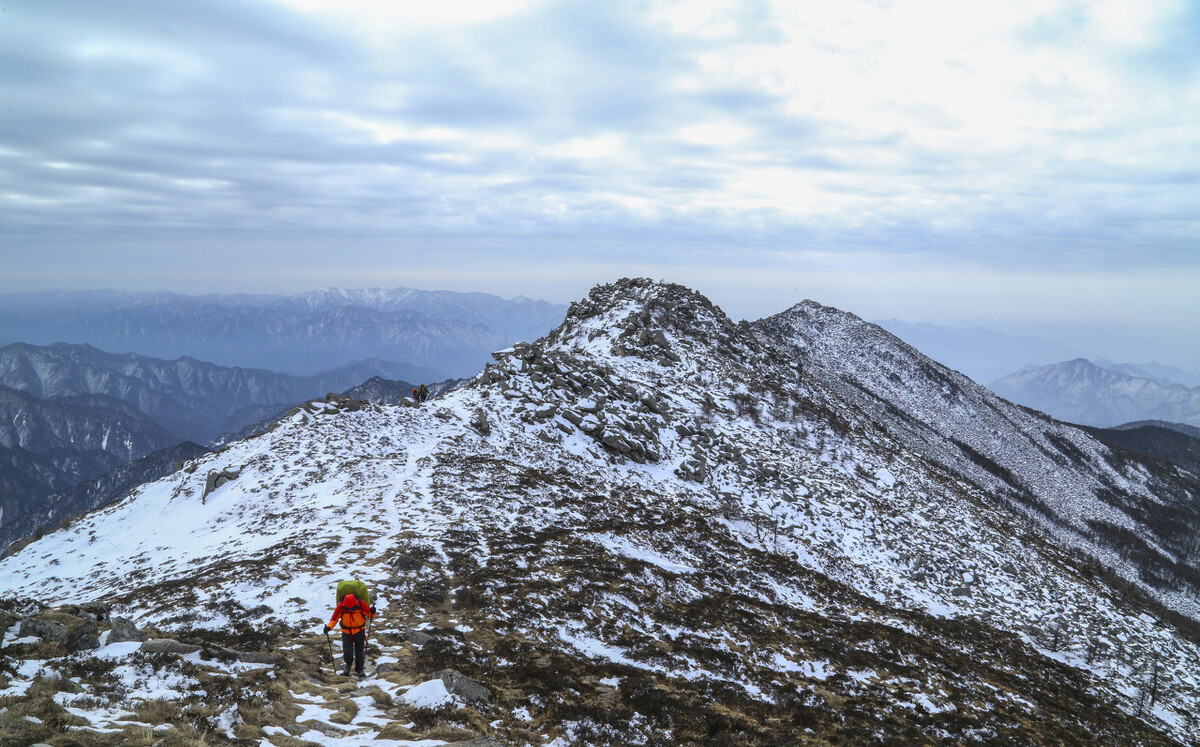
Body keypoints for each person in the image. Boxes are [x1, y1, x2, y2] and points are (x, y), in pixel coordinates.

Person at [325, 591, 374, 676]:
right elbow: (334, 618)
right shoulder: (341, 606)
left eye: (352, 608)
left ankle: (360, 670)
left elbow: (370, 615)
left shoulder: (361, 604)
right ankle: (348, 666)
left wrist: (372, 612)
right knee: (347, 652)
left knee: (359, 652)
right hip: (346, 632)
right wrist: (329, 627)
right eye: (348, 609)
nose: (350, 610)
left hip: (359, 631)